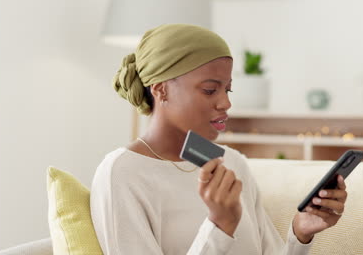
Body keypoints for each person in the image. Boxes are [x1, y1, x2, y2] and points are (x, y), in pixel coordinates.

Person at [90, 24, 347, 255]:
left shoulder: (231, 161)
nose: (226, 102)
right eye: (210, 90)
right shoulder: (121, 174)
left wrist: (300, 234)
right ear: (161, 89)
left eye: (228, 89)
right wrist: (219, 226)